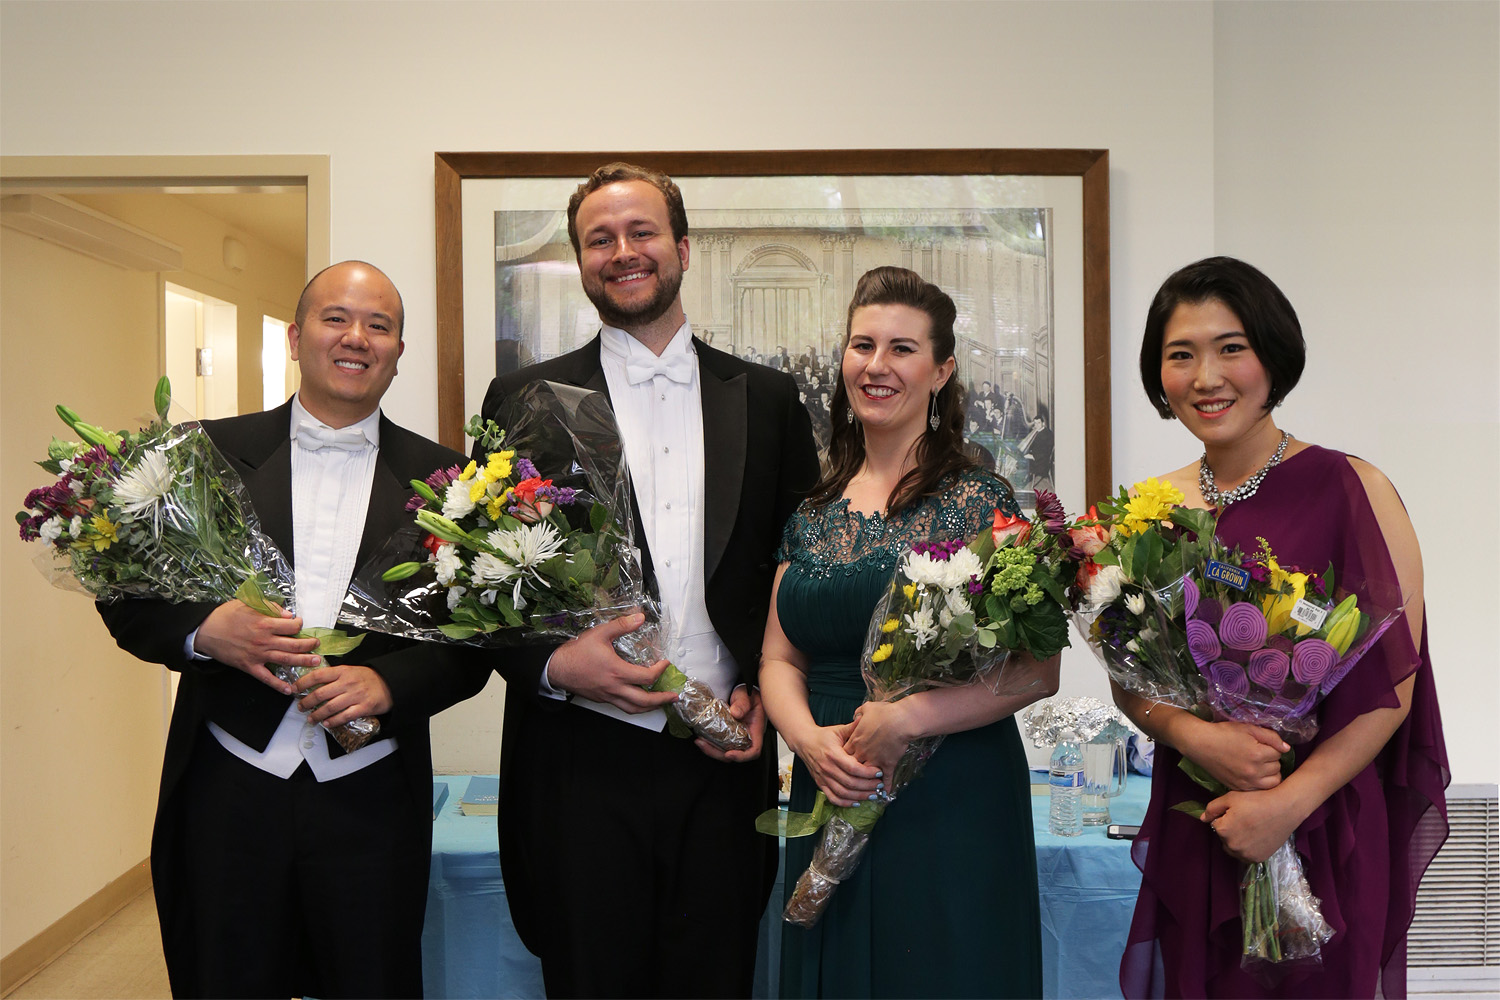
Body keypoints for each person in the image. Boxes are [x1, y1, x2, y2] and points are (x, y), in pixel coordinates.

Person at [96, 261, 493, 999]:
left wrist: (388, 682)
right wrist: (205, 630)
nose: (357, 337)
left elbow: (477, 642)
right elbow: (124, 593)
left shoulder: (454, 482)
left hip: (372, 799)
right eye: (336, 317)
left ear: (399, 351)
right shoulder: (199, 456)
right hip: (225, 793)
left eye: (380, 325)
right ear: (295, 335)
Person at [476, 162, 820, 998]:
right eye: (601, 239)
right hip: (575, 762)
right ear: (581, 259)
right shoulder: (522, 397)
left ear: (683, 248)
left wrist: (764, 695)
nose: (622, 252)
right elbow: (480, 586)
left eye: (641, 233)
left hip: (725, 754)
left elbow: (800, 568)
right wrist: (554, 669)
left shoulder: (769, 398)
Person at [1113, 256, 1449, 998]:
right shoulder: (1146, 511)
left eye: (1231, 347)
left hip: (1322, 819)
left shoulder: (1354, 486)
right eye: (1181, 354)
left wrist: (1286, 805)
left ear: (1273, 355)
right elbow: (1128, 677)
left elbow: (1396, 680)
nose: (1207, 376)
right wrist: (1196, 737)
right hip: (1205, 815)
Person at [759, 266, 1056, 999]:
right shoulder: (812, 509)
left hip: (951, 793)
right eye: (862, 345)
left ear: (941, 369)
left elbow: (1037, 670)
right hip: (830, 775)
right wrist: (809, 741)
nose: (877, 365)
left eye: (902, 348)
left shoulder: (984, 501)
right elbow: (776, 657)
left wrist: (909, 718)